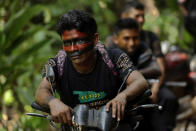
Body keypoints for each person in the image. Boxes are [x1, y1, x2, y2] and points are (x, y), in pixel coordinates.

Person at [35, 10, 148, 130]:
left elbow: (140, 81)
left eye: (79, 41)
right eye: (67, 43)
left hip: (116, 126)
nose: (73, 49)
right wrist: (53, 102)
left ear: (95, 39)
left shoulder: (114, 57)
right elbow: (42, 90)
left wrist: (122, 96)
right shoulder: (56, 65)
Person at [108, 18, 179, 131]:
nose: (131, 43)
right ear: (116, 39)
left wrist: (134, 75)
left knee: (168, 98)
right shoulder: (110, 52)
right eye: (126, 38)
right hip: (120, 93)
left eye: (135, 38)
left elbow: (156, 69)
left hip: (146, 87)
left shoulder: (142, 47)